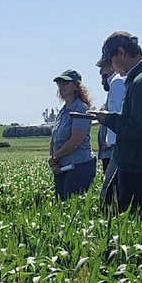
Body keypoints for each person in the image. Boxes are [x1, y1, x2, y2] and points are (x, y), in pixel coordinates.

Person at [90, 31, 142, 215]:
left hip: (138, 163)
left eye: (111, 60)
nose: (112, 67)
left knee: (126, 215)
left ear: (121, 52)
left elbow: (137, 129)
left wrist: (108, 119)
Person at [48, 69, 96, 199]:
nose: (61, 86)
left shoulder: (81, 108)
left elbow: (75, 141)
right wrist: (54, 162)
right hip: (62, 167)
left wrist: (55, 157)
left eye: (65, 83)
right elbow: (54, 140)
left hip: (78, 166)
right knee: (61, 204)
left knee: (73, 204)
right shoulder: (63, 111)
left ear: (75, 85)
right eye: (59, 83)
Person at [95, 58, 125, 175]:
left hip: (114, 146)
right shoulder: (115, 83)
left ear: (112, 67)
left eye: (104, 75)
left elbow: (118, 113)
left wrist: (111, 142)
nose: (103, 81)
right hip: (111, 146)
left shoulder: (117, 82)